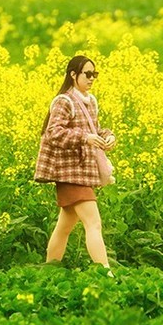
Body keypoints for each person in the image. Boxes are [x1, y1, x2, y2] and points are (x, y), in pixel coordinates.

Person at [34, 55, 115, 269]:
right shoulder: (64, 101)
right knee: (93, 223)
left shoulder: (90, 101)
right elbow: (53, 132)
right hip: (69, 174)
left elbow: (94, 130)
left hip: (82, 173)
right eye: (87, 74)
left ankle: (49, 270)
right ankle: (106, 274)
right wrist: (84, 137)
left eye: (94, 74)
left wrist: (107, 136)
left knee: (65, 226)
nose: (92, 78)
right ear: (73, 75)